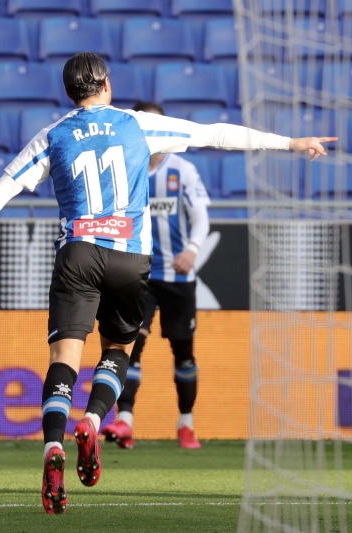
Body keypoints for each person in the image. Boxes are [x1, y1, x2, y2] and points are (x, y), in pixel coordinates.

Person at [0, 51, 337, 515]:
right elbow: (216, 134)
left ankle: (53, 447)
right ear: (106, 83)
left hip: (78, 254)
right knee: (118, 351)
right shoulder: (137, 124)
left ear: (69, 91)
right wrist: (291, 142)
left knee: (63, 359)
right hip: (130, 256)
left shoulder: (52, 135)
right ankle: (92, 420)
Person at [101, 101, 208, 451]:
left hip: (177, 278)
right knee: (131, 346)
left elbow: (201, 217)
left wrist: (192, 249)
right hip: (139, 274)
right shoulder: (122, 168)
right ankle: (125, 421)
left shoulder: (182, 170)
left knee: (183, 353)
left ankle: (186, 424)